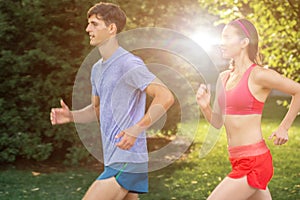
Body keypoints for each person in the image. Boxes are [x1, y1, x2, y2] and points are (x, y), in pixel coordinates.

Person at [50, 2, 174, 200]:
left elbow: (165, 96)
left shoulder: (128, 64)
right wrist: (71, 116)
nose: (87, 29)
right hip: (113, 158)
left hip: (127, 158)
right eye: (88, 24)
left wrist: (135, 129)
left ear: (111, 28)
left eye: (94, 24)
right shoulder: (97, 69)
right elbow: (97, 109)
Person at [196, 18, 300, 200]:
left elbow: (298, 91)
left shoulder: (259, 75)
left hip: (254, 161)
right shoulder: (223, 77)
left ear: (244, 42)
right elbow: (217, 122)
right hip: (237, 160)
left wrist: (284, 126)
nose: (222, 43)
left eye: (227, 37)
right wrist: (205, 107)